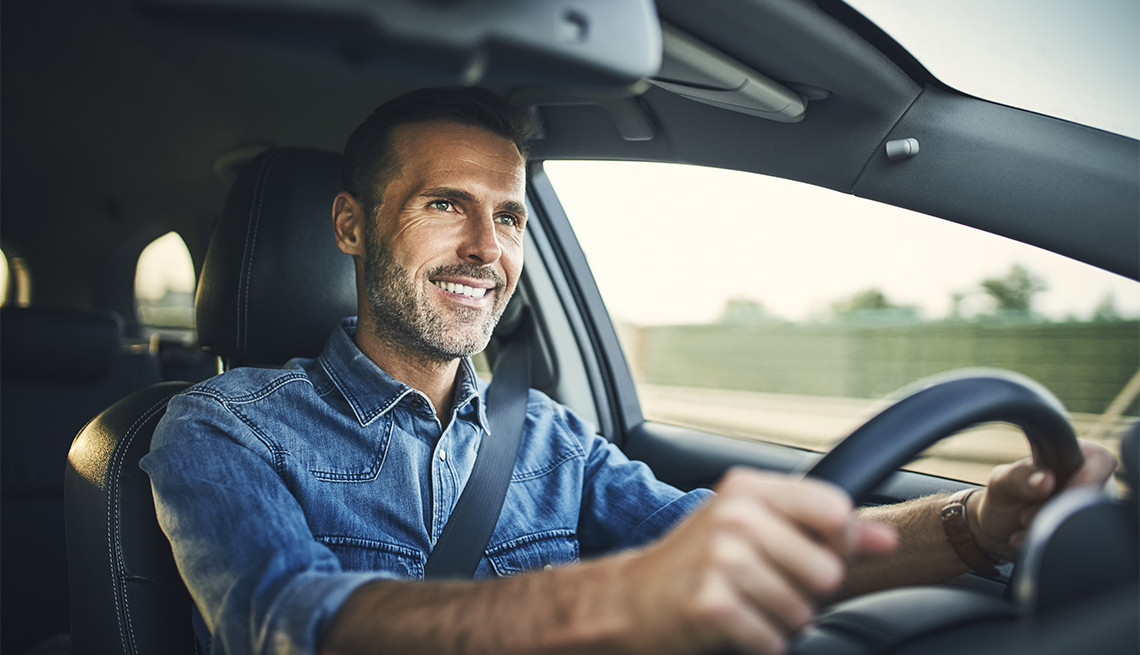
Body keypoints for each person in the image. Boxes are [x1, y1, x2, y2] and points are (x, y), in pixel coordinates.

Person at [142, 87, 1118, 655]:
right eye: (447, 204)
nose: (489, 246)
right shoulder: (224, 425)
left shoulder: (550, 433)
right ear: (352, 226)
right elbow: (287, 619)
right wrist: (618, 601)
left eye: (511, 214)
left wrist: (972, 526)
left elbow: (705, 541)